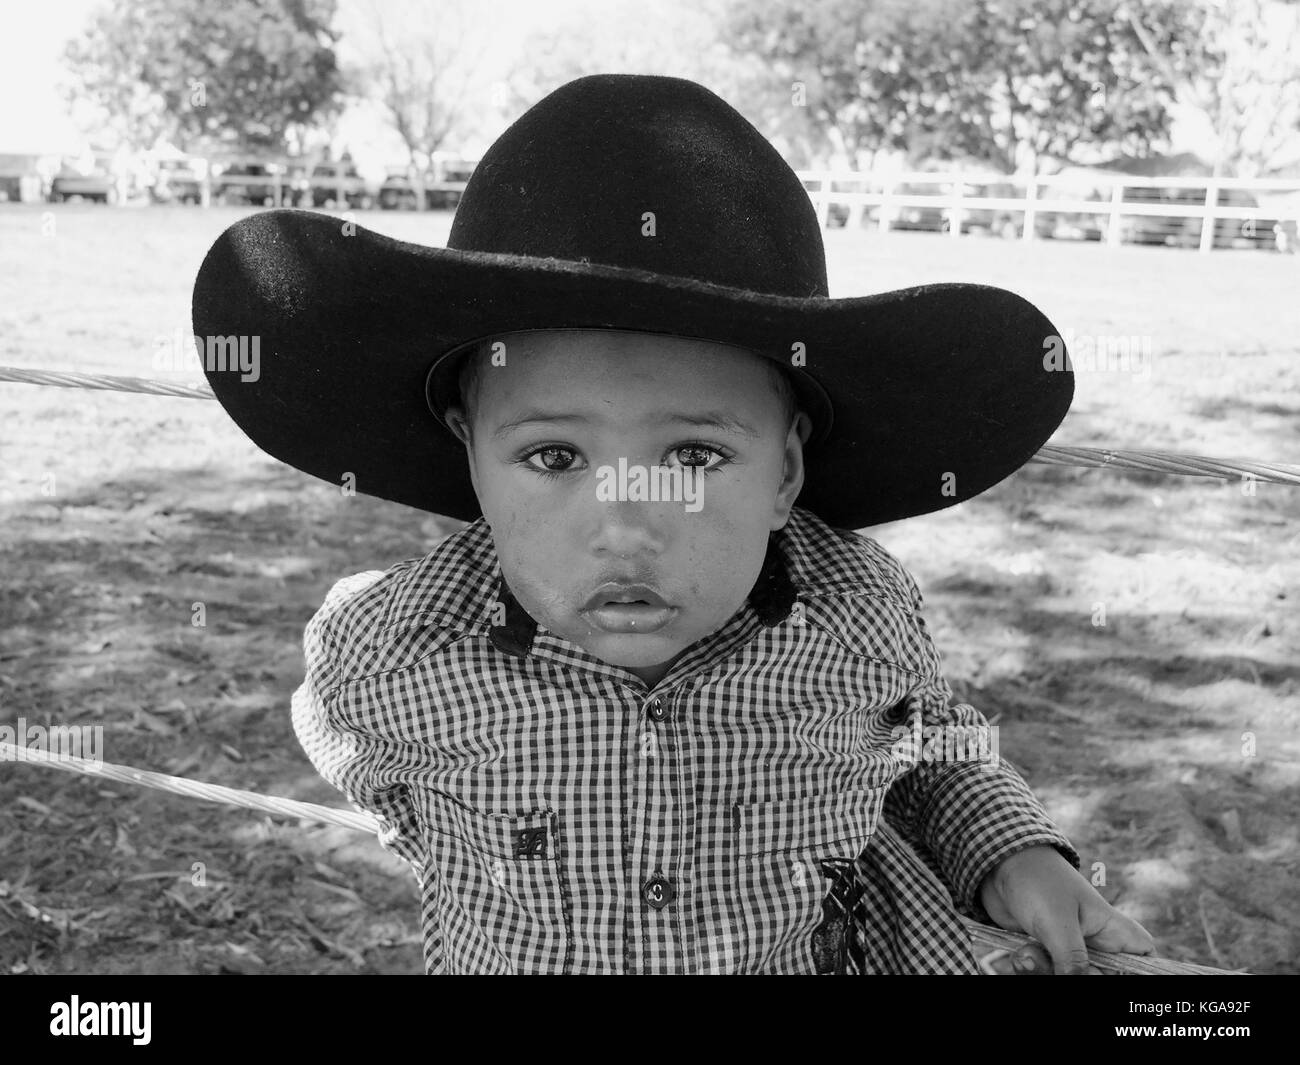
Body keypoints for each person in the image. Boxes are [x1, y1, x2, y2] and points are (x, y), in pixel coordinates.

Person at [191, 73, 1155, 974]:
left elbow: (925, 736)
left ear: (784, 471)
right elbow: (344, 737)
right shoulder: (389, 651)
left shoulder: (856, 616)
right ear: (469, 455)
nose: (624, 526)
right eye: (554, 457)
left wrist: (1009, 848)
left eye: (694, 456)